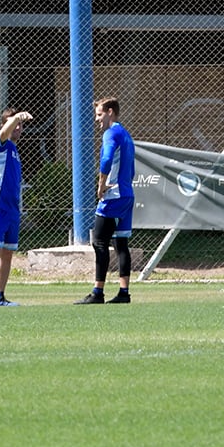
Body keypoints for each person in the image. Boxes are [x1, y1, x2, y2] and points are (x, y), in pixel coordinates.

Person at [76, 97, 136, 305]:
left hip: (114, 195)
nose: (96, 119)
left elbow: (107, 159)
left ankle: (97, 292)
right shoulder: (126, 135)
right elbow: (132, 169)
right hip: (127, 194)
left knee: (99, 241)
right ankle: (123, 292)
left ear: (110, 112)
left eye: (99, 114)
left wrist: (101, 184)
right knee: (121, 243)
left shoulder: (111, 133)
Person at [0, 109, 34, 307]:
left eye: (21, 126)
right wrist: (15, 118)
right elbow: (4, 133)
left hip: (12, 210)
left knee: (7, 253)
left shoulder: (14, 151)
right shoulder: (0, 144)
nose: (18, 128)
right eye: (15, 125)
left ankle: (0, 295)